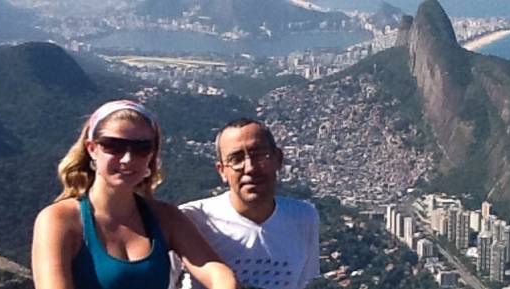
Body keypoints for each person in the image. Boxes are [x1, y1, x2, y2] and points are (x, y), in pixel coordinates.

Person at [31, 100, 237, 289]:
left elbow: (216, 273)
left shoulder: (166, 218)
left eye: (142, 148)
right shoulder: (60, 221)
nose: (128, 159)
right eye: (114, 146)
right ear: (92, 149)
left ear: (152, 155)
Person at [177, 118, 319, 289]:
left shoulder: (303, 217)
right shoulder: (192, 219)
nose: (250, 167)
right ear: (222, 171)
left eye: (259, 155)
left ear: (278, 159)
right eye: (236, 159)